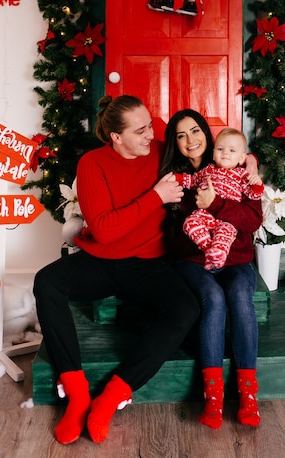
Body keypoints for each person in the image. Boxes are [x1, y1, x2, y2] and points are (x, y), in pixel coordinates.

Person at [33, 95, 200, 445]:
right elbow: (105, 229)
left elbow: (206, 153)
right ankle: (77, 392)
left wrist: (248, 162)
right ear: (116, 137)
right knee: (47, 282)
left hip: (149, 264)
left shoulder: (160, 151)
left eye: (150, 126)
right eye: (140, 131)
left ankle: (114, 393)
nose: (150, 135)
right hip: (101, 261)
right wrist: (155, 196)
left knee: (186, 308)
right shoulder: (93, 164)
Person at [161, 109, 263, 429]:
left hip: (237, 261)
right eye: (181, 135)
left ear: (209, 135)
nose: (190, 140)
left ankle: (248, 395)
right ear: (175, 144)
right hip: (194, 263)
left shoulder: (237, 168)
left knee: (240, 294)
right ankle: (213, 397)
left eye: (195, 131)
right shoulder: (177, 179)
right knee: (213, 299)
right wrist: (202, 229)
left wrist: (217, 204)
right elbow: (175, 239)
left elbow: (252, 221)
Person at [175, 127, 264, 270]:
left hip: (226, 221)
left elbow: (253, 195)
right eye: (220, 149)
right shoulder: (207, 171)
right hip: (204, 218)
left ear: (241, 158)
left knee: (224, 234)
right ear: (213, 153)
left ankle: (217, 253)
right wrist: (176, 178)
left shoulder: (242, 174)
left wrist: (257, 185)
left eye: (232, 151)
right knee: (190, 223)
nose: (225, 153)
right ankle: (211, 251)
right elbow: (192, 180)